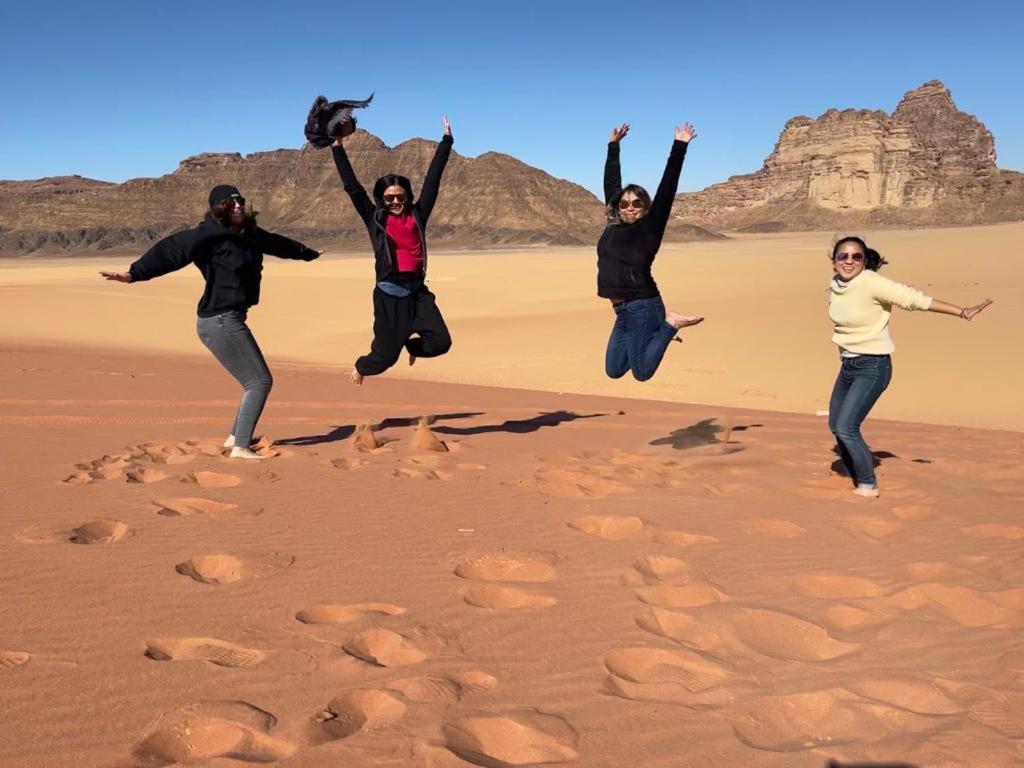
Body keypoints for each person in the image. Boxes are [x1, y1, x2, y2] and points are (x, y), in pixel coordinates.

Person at [100, 185, 321, 459]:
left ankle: (233, 439)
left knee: (253, 382)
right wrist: (134, 274)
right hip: (219, 320)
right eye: (230, 203)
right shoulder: (208, 234)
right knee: (260, 381)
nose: (238, 206)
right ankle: (240, 447)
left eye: (240, 201)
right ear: (219, 208)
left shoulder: (247, 234)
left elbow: (277, 243)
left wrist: (307, 252)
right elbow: (171, 250)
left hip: (230, 318)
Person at [827, 235, 992, 496]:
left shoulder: (872, 282)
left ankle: (868, 484)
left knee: (847, 427)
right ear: (834, 260)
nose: (848, 261)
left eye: (856, 256)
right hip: (848, 365)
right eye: (842, 256)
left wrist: (960, 311)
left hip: (873, 366)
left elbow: (913, 299)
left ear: (864, 260)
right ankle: (854, 471)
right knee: (836, 425)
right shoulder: (836, 283)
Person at [332, 117, 454, 386]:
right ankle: (361, 366)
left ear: (408, 196)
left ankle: (412, 349)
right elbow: (352, 187)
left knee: (441, 343)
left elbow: (433, 180)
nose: (396, 201)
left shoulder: (418, 215)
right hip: (390, 297)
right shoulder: (375, 218)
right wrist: (337, 147)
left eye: (401, 196)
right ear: (381, 200)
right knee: (384, 359)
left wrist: (446, 141)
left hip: (418, 292)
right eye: (389, 198)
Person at [599, 121, 704, 382]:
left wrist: (680, 145)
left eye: (637, 203)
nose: (630, 207)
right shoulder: (613, 223)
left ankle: (669, 325)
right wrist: (613, 147)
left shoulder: (650, 228)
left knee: (642, 373)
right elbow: (612, 184)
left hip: (643, 306)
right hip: (621, 312)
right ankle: (658, 332)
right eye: (624, 203)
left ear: (645, 207)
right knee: (614, 370)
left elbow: (667, 188)